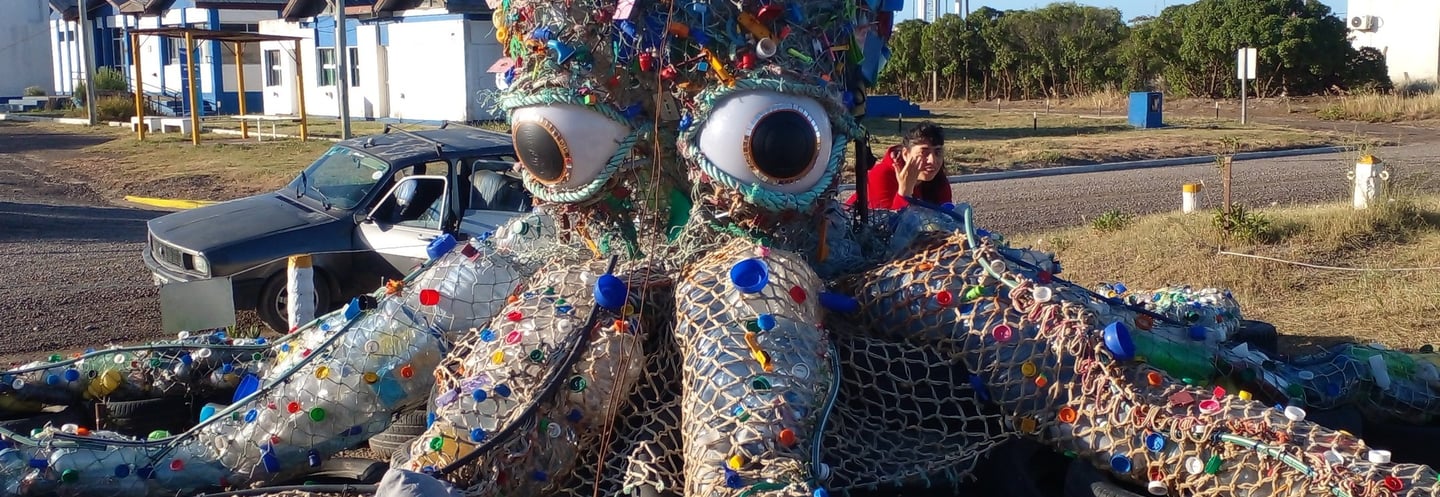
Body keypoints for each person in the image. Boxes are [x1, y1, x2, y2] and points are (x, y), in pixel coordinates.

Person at [846, 122, 952, 210]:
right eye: (924, 152)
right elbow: (885, 226)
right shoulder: (882, 175)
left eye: (938, 152)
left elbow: (948, 217)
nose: (932, 161)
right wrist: (905, 192)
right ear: (905, 154)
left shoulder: (937, 178)